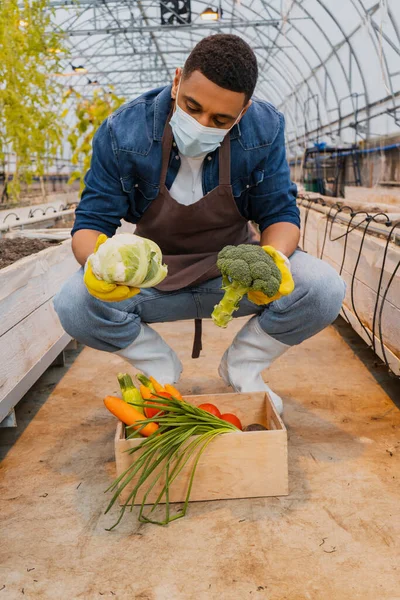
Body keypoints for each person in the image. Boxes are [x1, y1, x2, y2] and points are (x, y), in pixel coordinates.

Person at [54, 34, 345, 414]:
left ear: (243, 112)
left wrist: (272, 258)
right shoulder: (123, 131)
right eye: (192, 106)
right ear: (177, 81)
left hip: (230, 275)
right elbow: (91, 222)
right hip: (152, 279)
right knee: (74, 303)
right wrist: (102, 264)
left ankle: (244, 366)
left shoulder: (265, 129)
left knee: (323, 289)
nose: (202, 123)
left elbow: (280, 214)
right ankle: (158, 367)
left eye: (221, 119)